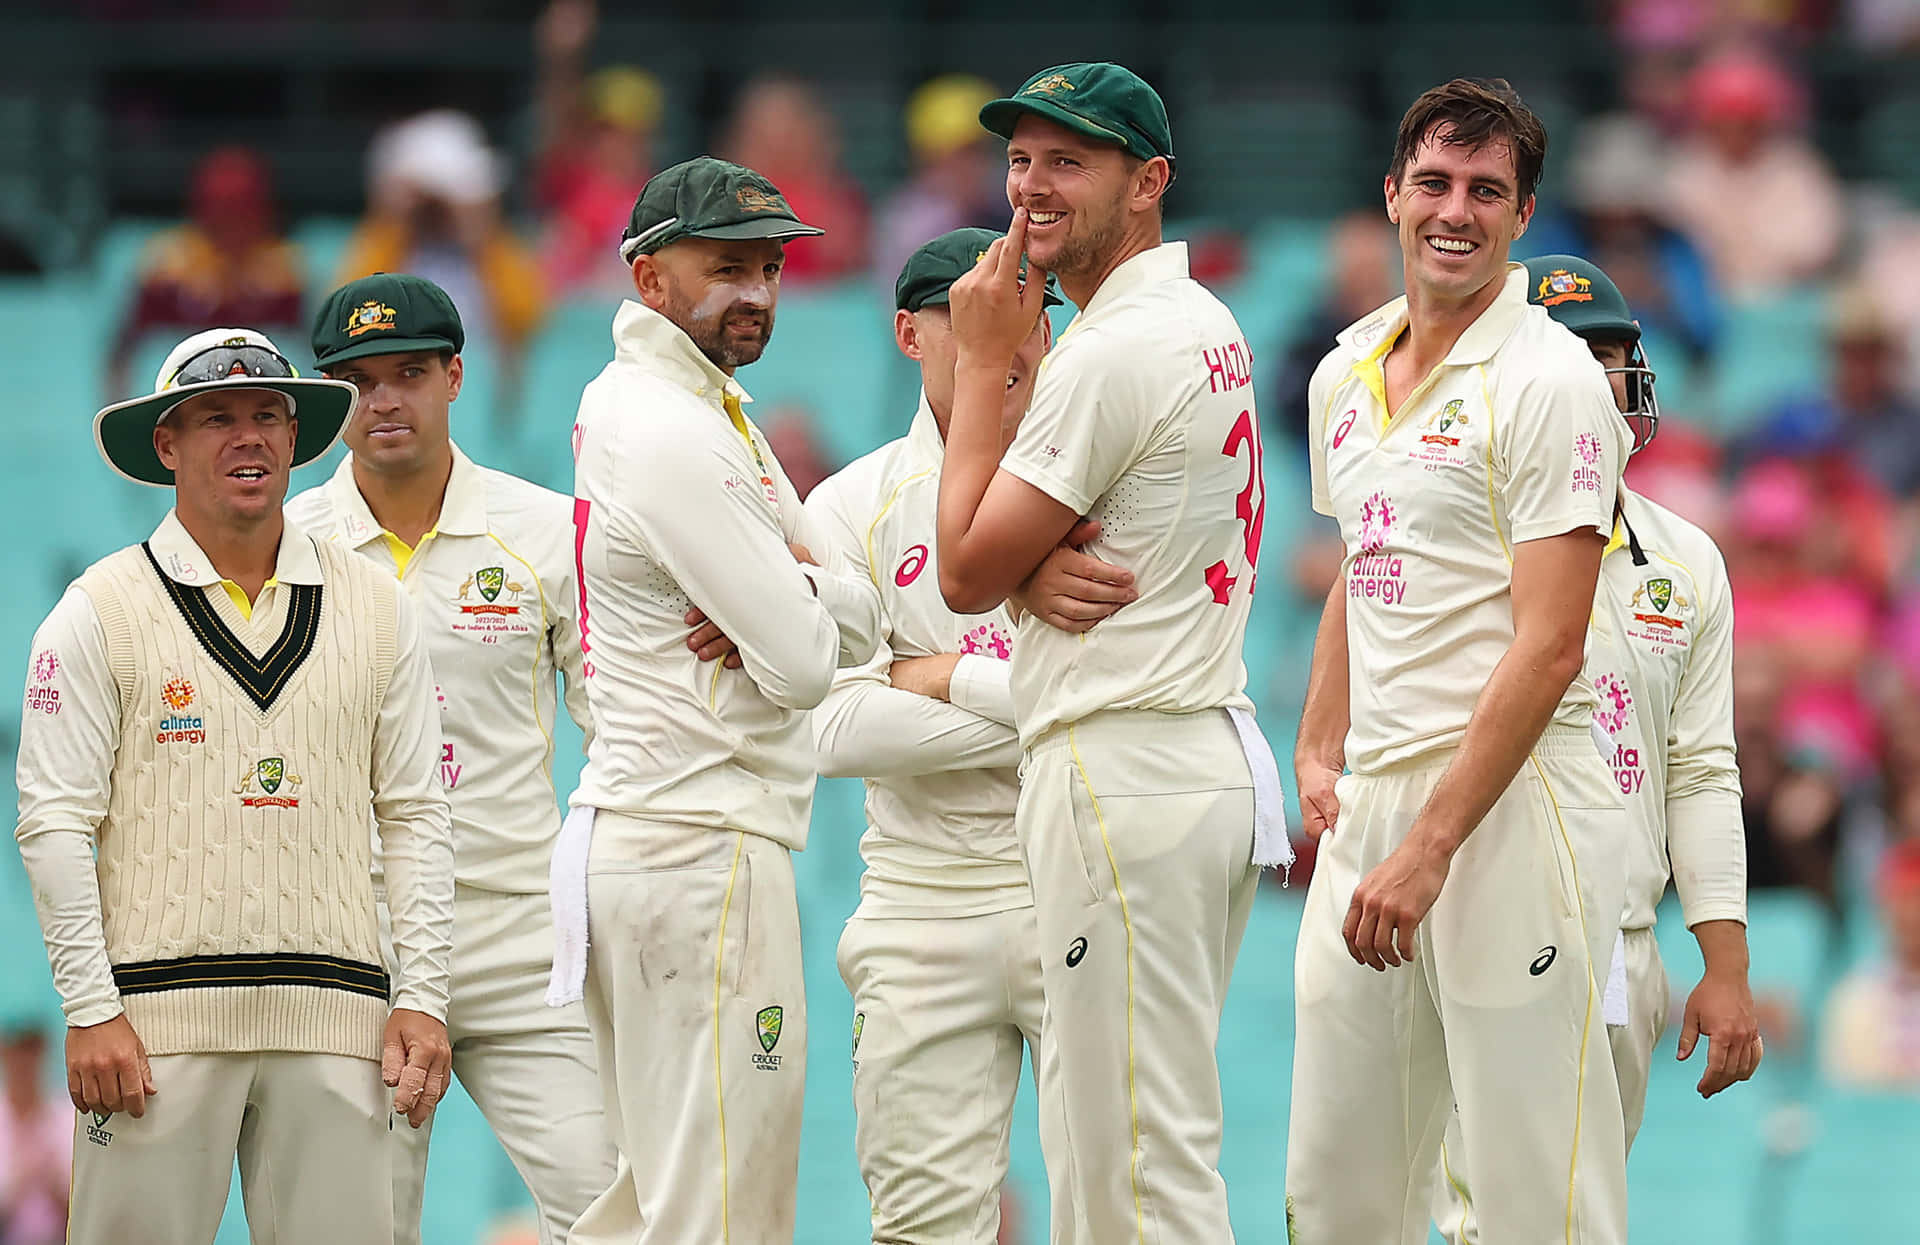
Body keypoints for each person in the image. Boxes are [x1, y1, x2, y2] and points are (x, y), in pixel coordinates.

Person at [936, 63, 1284, 1243]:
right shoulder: (1202, 322)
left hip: (1120, 763)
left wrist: (984, 362)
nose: (1029, 187)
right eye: (1021, 159)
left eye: (1067, 161)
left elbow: (962, 570)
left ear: (1150, 184)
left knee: (1124, 1167)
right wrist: (1029, 566)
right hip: (1189, 757)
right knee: (1142, 1145)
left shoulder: (1113, 346)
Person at [1285, 80, 1633, 1245]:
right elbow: (1357, 560)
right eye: (1433, 183)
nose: (1455, 211)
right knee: (1339, 1200)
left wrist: (1432, 842)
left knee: (1537, 1203)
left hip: (1503, 821)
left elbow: (1551, 645)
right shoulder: (1344, 373)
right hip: (1371, 821)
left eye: (1486, 191)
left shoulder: (1553, 384)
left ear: (1522, 215)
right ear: (1392, 195)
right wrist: (1317, 743)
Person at [15, 328, 455, 1244]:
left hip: (336, 1021)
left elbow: (415, 813)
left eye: (267, 416)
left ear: (297, 440)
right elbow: (53, 824)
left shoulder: (380, 608)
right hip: (151, 1033)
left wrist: (422, 994)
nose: (246, 438)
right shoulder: (98, 610)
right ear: (166, 445)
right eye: (216, 418)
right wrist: (91, 1007)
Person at [554, 156, 883, 1244]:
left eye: (768, 267)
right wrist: (801, 599)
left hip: (668, 839)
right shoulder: (671, 426)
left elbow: (860, 614)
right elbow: (799, 666)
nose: (756, 291)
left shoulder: (694, 407)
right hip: (703, 847)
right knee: (722, 1202)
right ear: (647, 278)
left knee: (658, 1198)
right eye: (725, 266)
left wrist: (795, 588)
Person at [1432, 253, 1762, 1241]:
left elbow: (1700, 765)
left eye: (1610, 355)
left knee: (1576, 1219)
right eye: (1569, 355)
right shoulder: (1444, 533)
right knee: (1469, 1217)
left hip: (1619, 944)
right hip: (1462, 919)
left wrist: (1726, 962)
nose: (1596, 377)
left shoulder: (1686, 558)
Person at [284, 273, 616, 1245]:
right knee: (356, 1228)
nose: (385, 400)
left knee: (620, 1216)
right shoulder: (290, 546)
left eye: (409, 374)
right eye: (359, 380)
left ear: (455, 377)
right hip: (359, 936)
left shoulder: (544, 529)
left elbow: (614, 728)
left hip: (519, 931)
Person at [806, 228, 1111, 1244]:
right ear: (909, 332)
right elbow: (832, 725)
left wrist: (936, 674)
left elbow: (1132, 699)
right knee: (923, 1227)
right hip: (918, 902)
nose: (1013, 330)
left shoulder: (1107, 484)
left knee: (1118, 1217)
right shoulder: (850, 503)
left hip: (1079, 873)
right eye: (976, 307)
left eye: (1034, 306)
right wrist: (1026, 699)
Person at [108, 147, 305, 405]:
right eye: (222, 213)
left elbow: (308, 361)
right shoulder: (164, 264)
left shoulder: (286, 270)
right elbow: (121, 358)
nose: (232, 225)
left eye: (241, 213)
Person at [0, 1024, 72, 1245]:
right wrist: (22, 1179)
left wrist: (55, 1187)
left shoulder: (67, 1114)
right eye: (17, 1050)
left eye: (30, 1050)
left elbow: (80, 1202)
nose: (24, 1061)